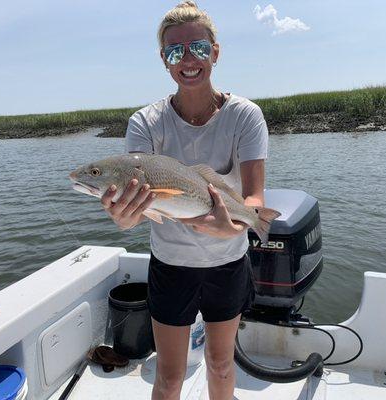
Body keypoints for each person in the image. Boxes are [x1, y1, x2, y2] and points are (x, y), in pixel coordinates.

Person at [100, 2, 269, 399]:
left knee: (222, 364)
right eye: (175, 52)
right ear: (164, 60)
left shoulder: (245, 116)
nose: (188, 60)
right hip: (171, 265)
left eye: (198, 47)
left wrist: (237, 225)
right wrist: (125, 219)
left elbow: (255, 196)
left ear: (215, 51)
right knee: (170, 376)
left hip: (227, 261)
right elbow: (138, 210)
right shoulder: (144, 123)